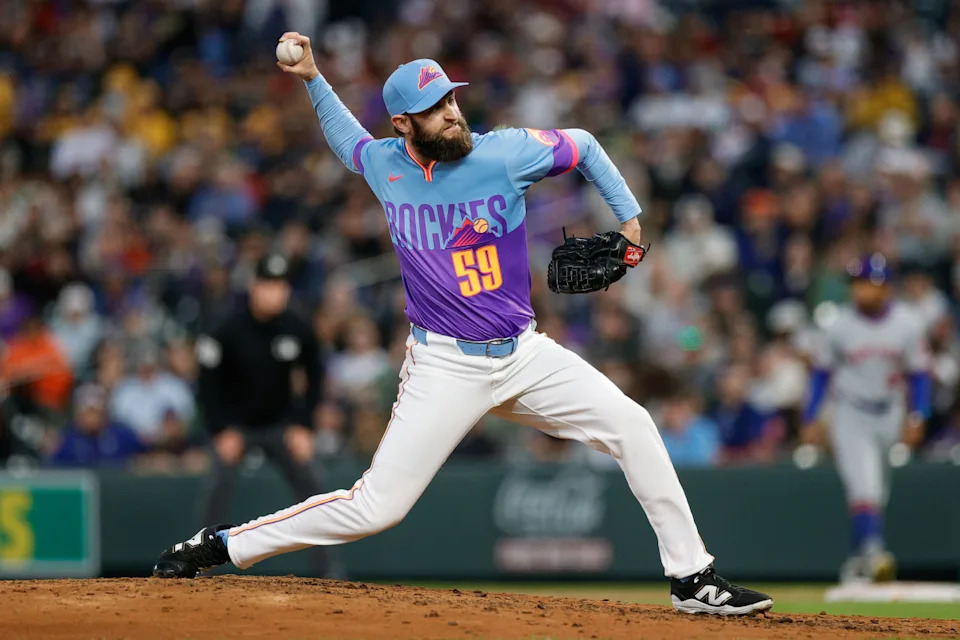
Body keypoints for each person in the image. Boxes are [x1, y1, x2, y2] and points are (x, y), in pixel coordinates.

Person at [154, 34, 772, 617]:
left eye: (451, 96)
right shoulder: (386, 166)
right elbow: (347, 140)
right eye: (434, 106)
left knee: (634, 425)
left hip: (525, 354)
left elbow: (583, 143)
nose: (452, 112)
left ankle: (693, 577)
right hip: (443, 365)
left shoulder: (505, 152)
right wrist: (314, 78)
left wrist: (630, 222)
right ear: (403, 125)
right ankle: (221, 545)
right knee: (377, 507)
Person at [192, 252, 334, 575]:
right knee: (216, 485)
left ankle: (327, 571)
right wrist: (220, 430)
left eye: (282, 285)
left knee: (314, 486)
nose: (276, 292)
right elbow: (206, 385)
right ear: (254, 287)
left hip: (280, 424)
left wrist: (303, 425)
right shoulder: (226, 327)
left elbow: (315, 379)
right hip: (236, 426)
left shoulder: (297, 327)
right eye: (269, 284)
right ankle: (201, 565)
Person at [800, 254, 931, 583]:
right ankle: (874, 554)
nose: (861, 291)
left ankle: (858, 558)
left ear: (885, 287)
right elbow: (820, 374)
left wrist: (918, 414)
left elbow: (919, 375)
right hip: (851, 412)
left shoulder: (908, 323)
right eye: (857, 284)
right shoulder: (839, 324)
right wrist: (811, 415)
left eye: (868, 284)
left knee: (878, 492)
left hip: (890, 411)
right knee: (864, 487)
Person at [48, 384, 143, 468]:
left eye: (96, 412)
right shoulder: (67, 440)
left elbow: (145, 456)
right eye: (88, 413)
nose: (92, 418)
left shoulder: (121, 435)